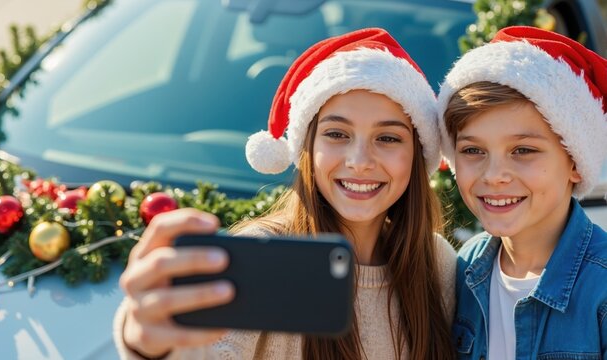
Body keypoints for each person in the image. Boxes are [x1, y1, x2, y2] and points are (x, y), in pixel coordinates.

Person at [114, 28, 457, 360]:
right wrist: (150, 343)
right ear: (306, 146)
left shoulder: (437, 264)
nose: (360, 161)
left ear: (418, 153)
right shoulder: (266, 257)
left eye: (388, 138)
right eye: (337, 134)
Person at [436, 26, 607, 359]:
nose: (494, 175)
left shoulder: (600, 288)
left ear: (576, 162)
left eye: (523, 150)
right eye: (473, 151)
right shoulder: (464, 267)